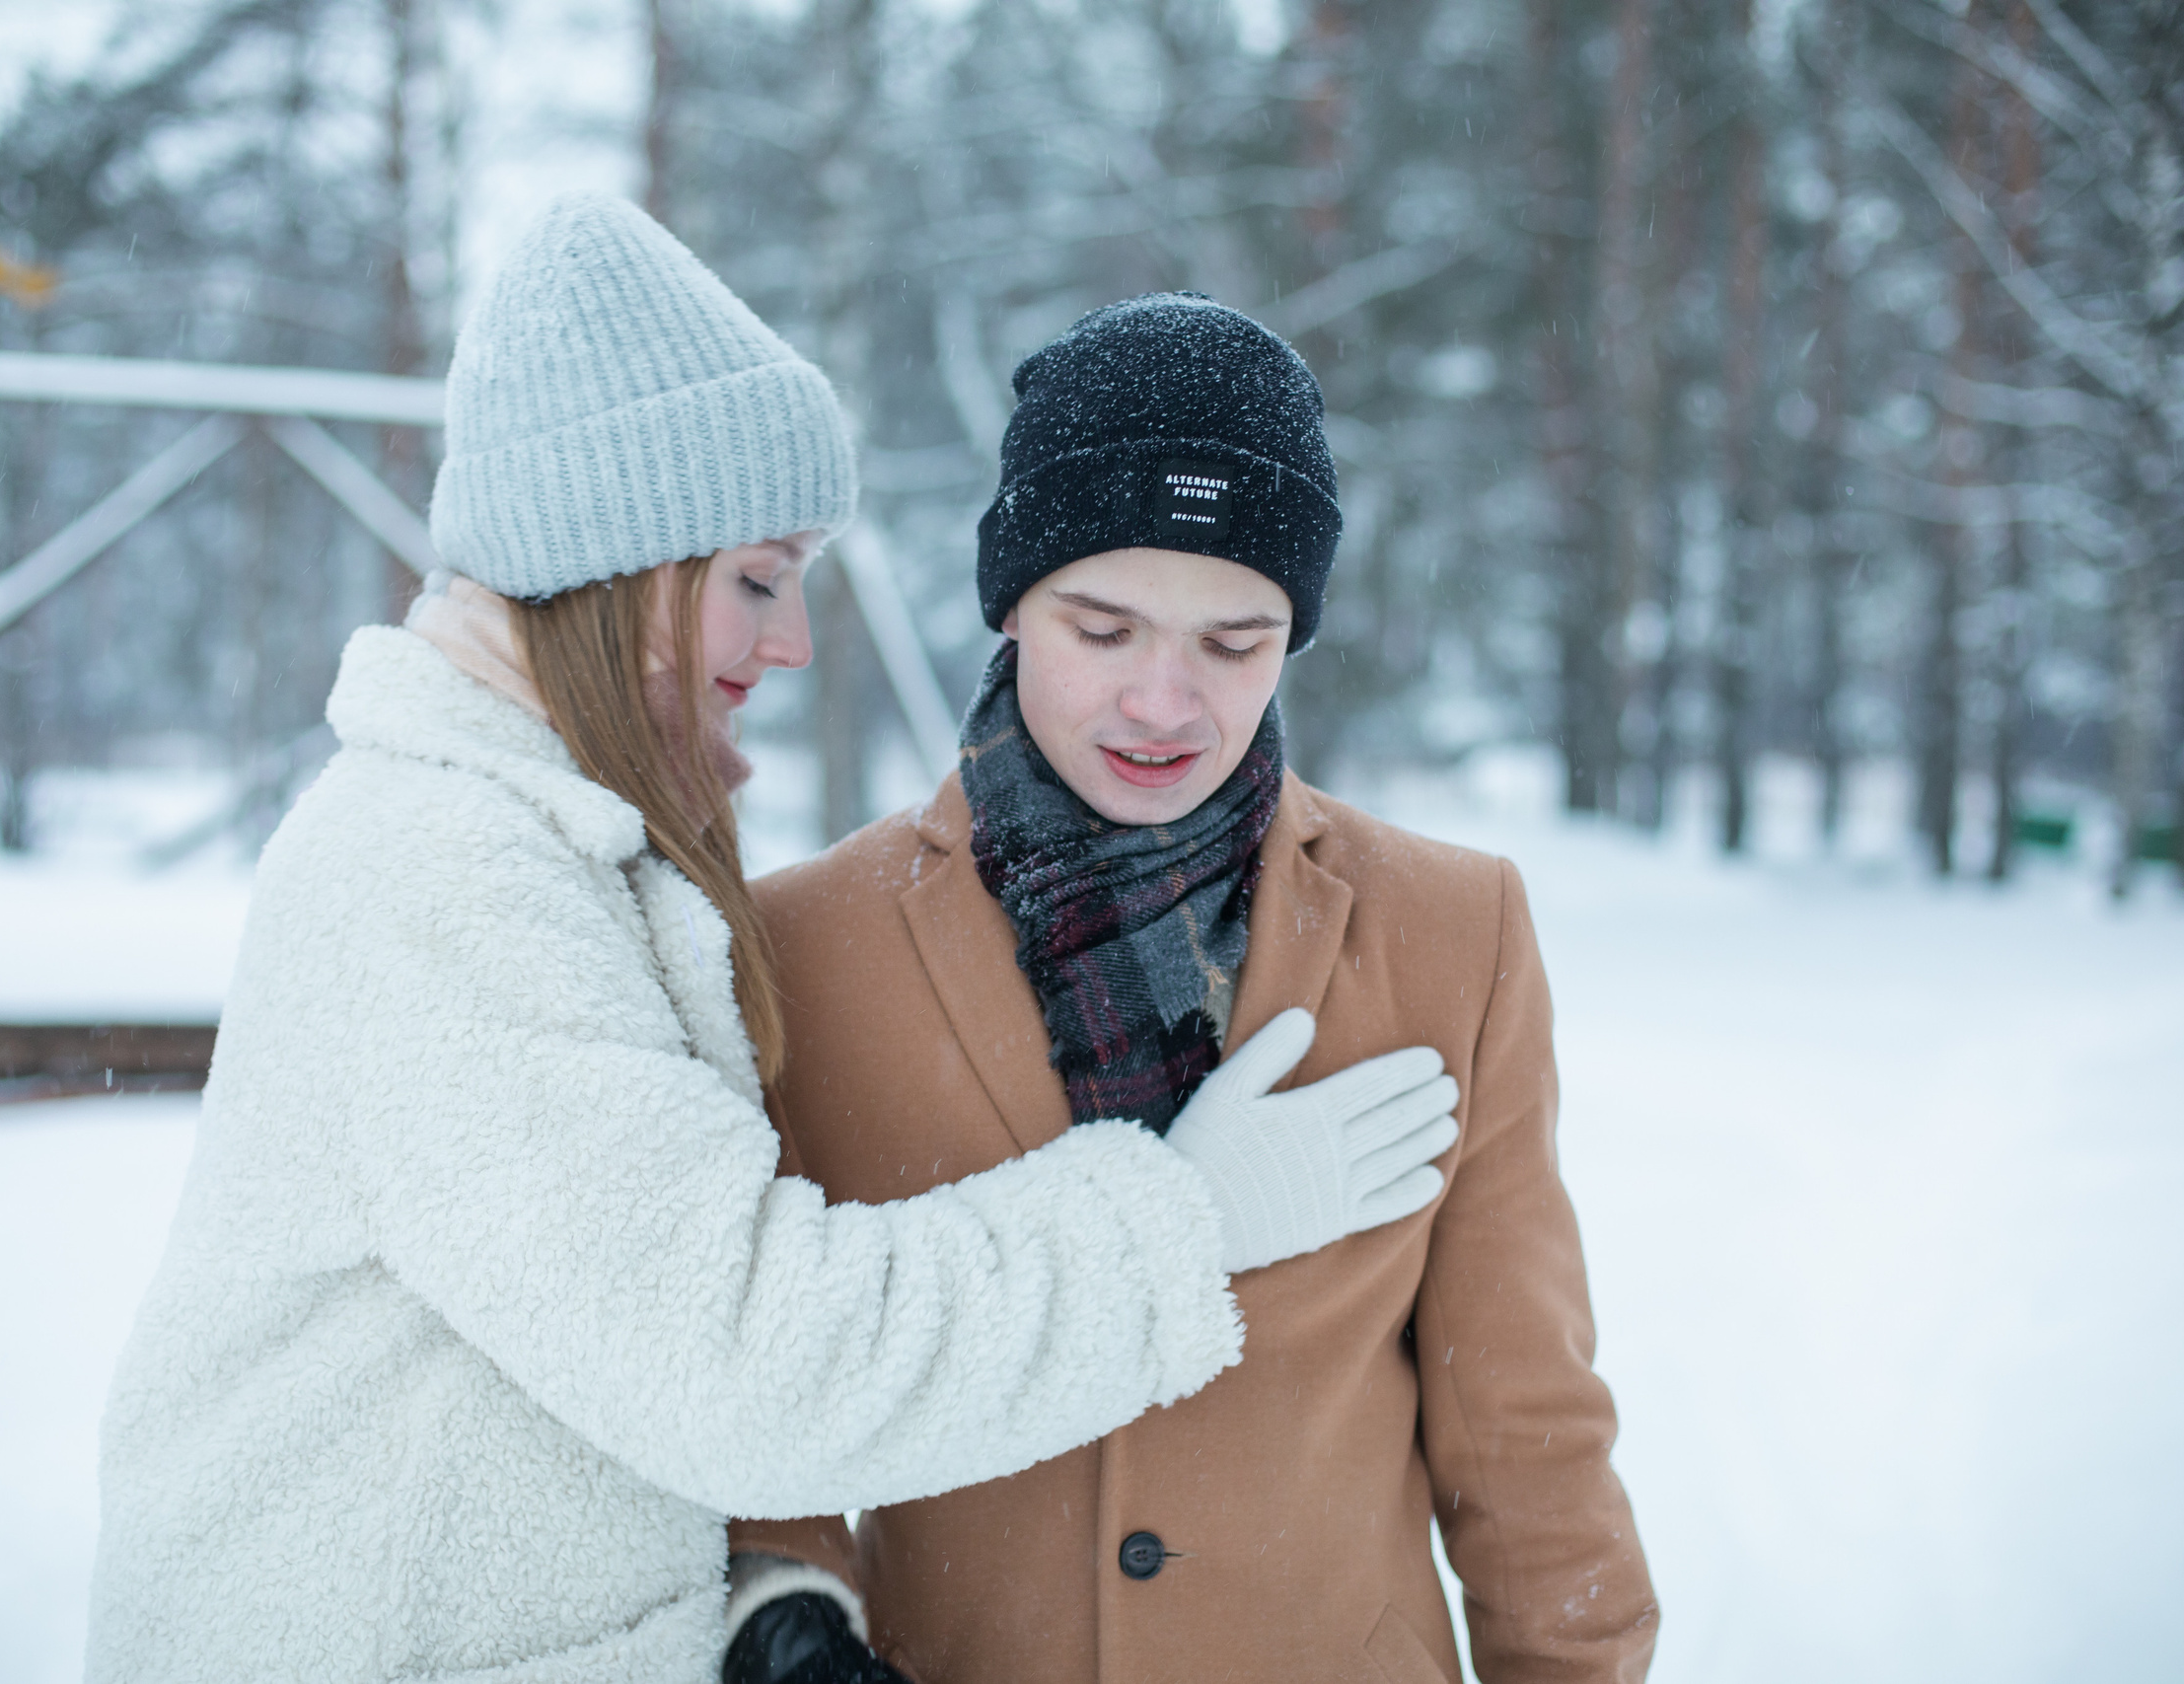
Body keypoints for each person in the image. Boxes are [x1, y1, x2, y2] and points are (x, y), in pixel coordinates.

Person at [82, 202, 1463, 1684]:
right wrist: (1175, 1224)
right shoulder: (445, 878)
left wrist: (755, 1603)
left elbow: (620, 1325)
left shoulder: (556, 848)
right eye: (755, 576)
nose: (793, 640)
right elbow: (735, 1355)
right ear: (615, 568)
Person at [724, 295, 1657, 1684]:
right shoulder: (802, 947)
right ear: (1012, 605)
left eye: (1236, 642)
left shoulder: (1454, 932)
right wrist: (787, 1621)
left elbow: (1524, 1429)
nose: (1166, 704)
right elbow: (755, 1387)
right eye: (1102, 630)